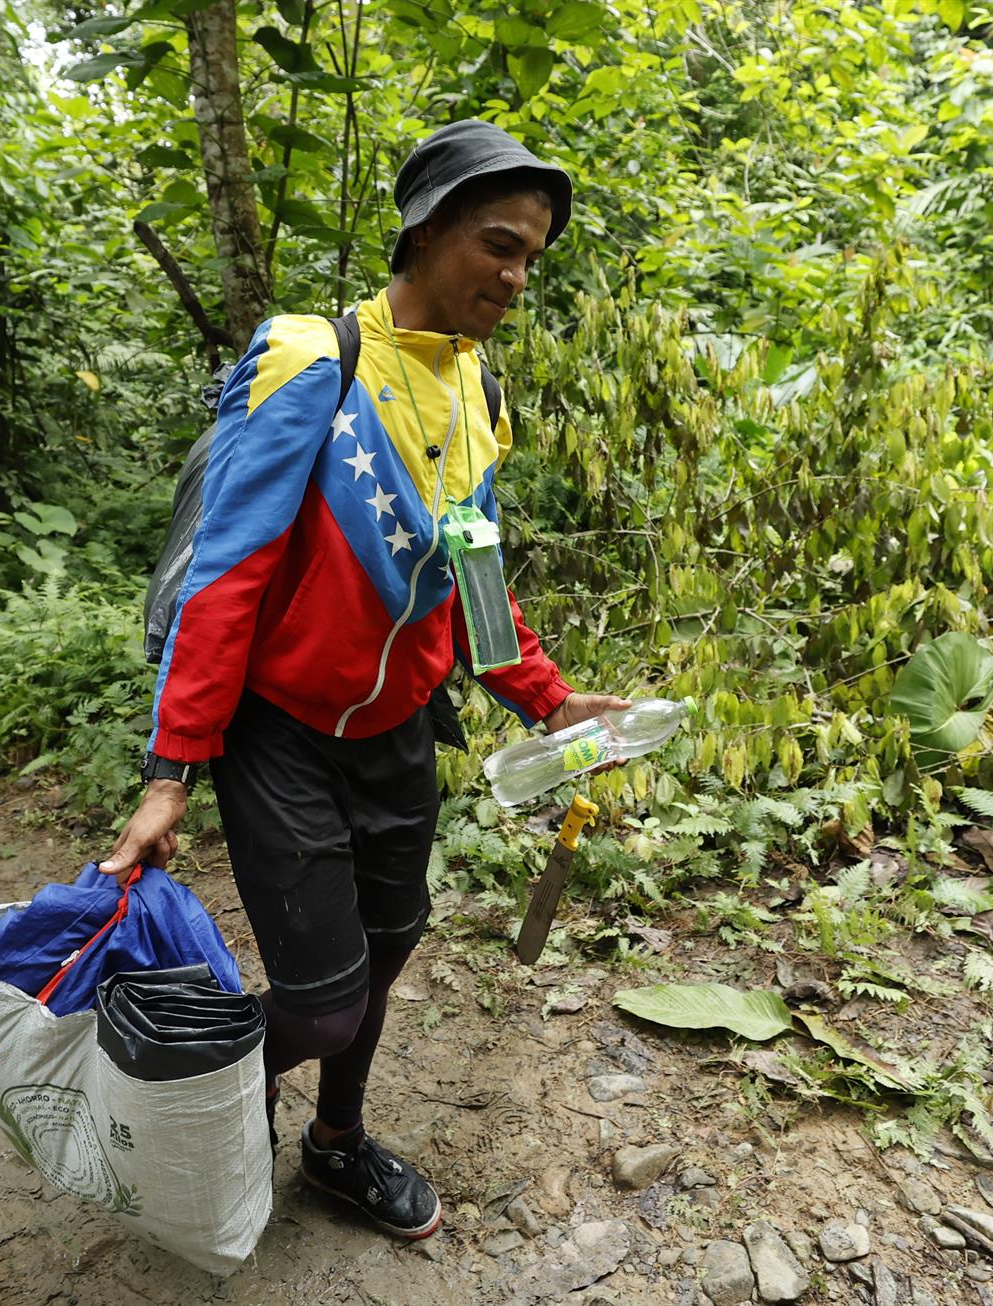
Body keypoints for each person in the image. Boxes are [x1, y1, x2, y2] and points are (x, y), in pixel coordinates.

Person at [102, 120, 629, 1241]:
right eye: (498, 244)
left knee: (386, 953)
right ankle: (201, 1084)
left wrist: (543, 695)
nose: (516, 276)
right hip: (281, 730)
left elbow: (472, 565)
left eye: (532, 255)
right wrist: (170, 772)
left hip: (399, 731)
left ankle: (335, 1145)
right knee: (323, 999)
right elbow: (229, 574)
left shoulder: (478, 391)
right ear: (425, 228)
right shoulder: (314, 360)